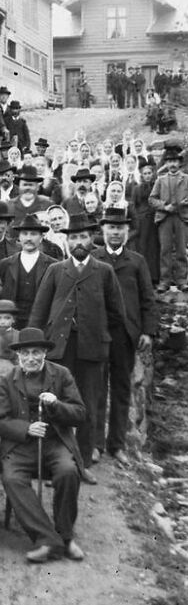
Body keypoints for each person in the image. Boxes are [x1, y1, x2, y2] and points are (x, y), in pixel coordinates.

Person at [28, 213, 126, 481]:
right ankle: (54, 464)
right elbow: (39, 310)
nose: (79, 242)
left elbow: (117, 313)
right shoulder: (56, 270)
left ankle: (82, 462)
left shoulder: (103, 271)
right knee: (54, 402)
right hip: (60, 348)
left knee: (88, 403)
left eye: (83, 236)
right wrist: (36, 344)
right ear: (67, 241)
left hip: (91, 349)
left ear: (92, 239)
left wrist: (98, 331)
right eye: (73, 237)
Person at [0, 327, 86, 564]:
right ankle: (47, 538)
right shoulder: (7, 379)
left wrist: (56, 405)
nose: (31, 358)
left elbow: (79, 414)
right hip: (21, 447)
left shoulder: (62, 374)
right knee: (12, 478)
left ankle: (65, 536)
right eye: (25, 353)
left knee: (68, 471)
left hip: (55, 442)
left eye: (36, 352)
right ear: (18, 356)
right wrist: (25, 428)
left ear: (45, 352)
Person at [92, 209, 158, 464]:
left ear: (127, 232)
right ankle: (95, 444)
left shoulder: (137, 261)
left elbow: (148, 299)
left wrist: (148, 331)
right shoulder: (94, 258)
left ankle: (116, 445)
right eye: (111, 228)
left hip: (125, 335)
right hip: (98, 333)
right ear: (104, 230)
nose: (115, 232)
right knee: (96, 390)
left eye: (120, 228)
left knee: (121, 390)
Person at [0, 214, 57, 329]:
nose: (29, 238)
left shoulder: (53, 265)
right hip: (12, 325)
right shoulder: (6, 264)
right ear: (19, 237)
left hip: (41, 324)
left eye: (33, 234)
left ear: (41, 238)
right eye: (25, 234)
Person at [149, 141, 188, 291]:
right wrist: (165, 206)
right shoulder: (160, 180)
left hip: (181, 217)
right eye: (170, 161)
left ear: (179, 163)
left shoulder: (186, 179)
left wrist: (184, 203)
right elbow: (152, 199)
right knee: (165, 249)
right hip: (164, 218)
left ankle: (181, 280)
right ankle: (164, 281)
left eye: (175, 161)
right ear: (166, 163)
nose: (172, 164)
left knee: (181, 250)